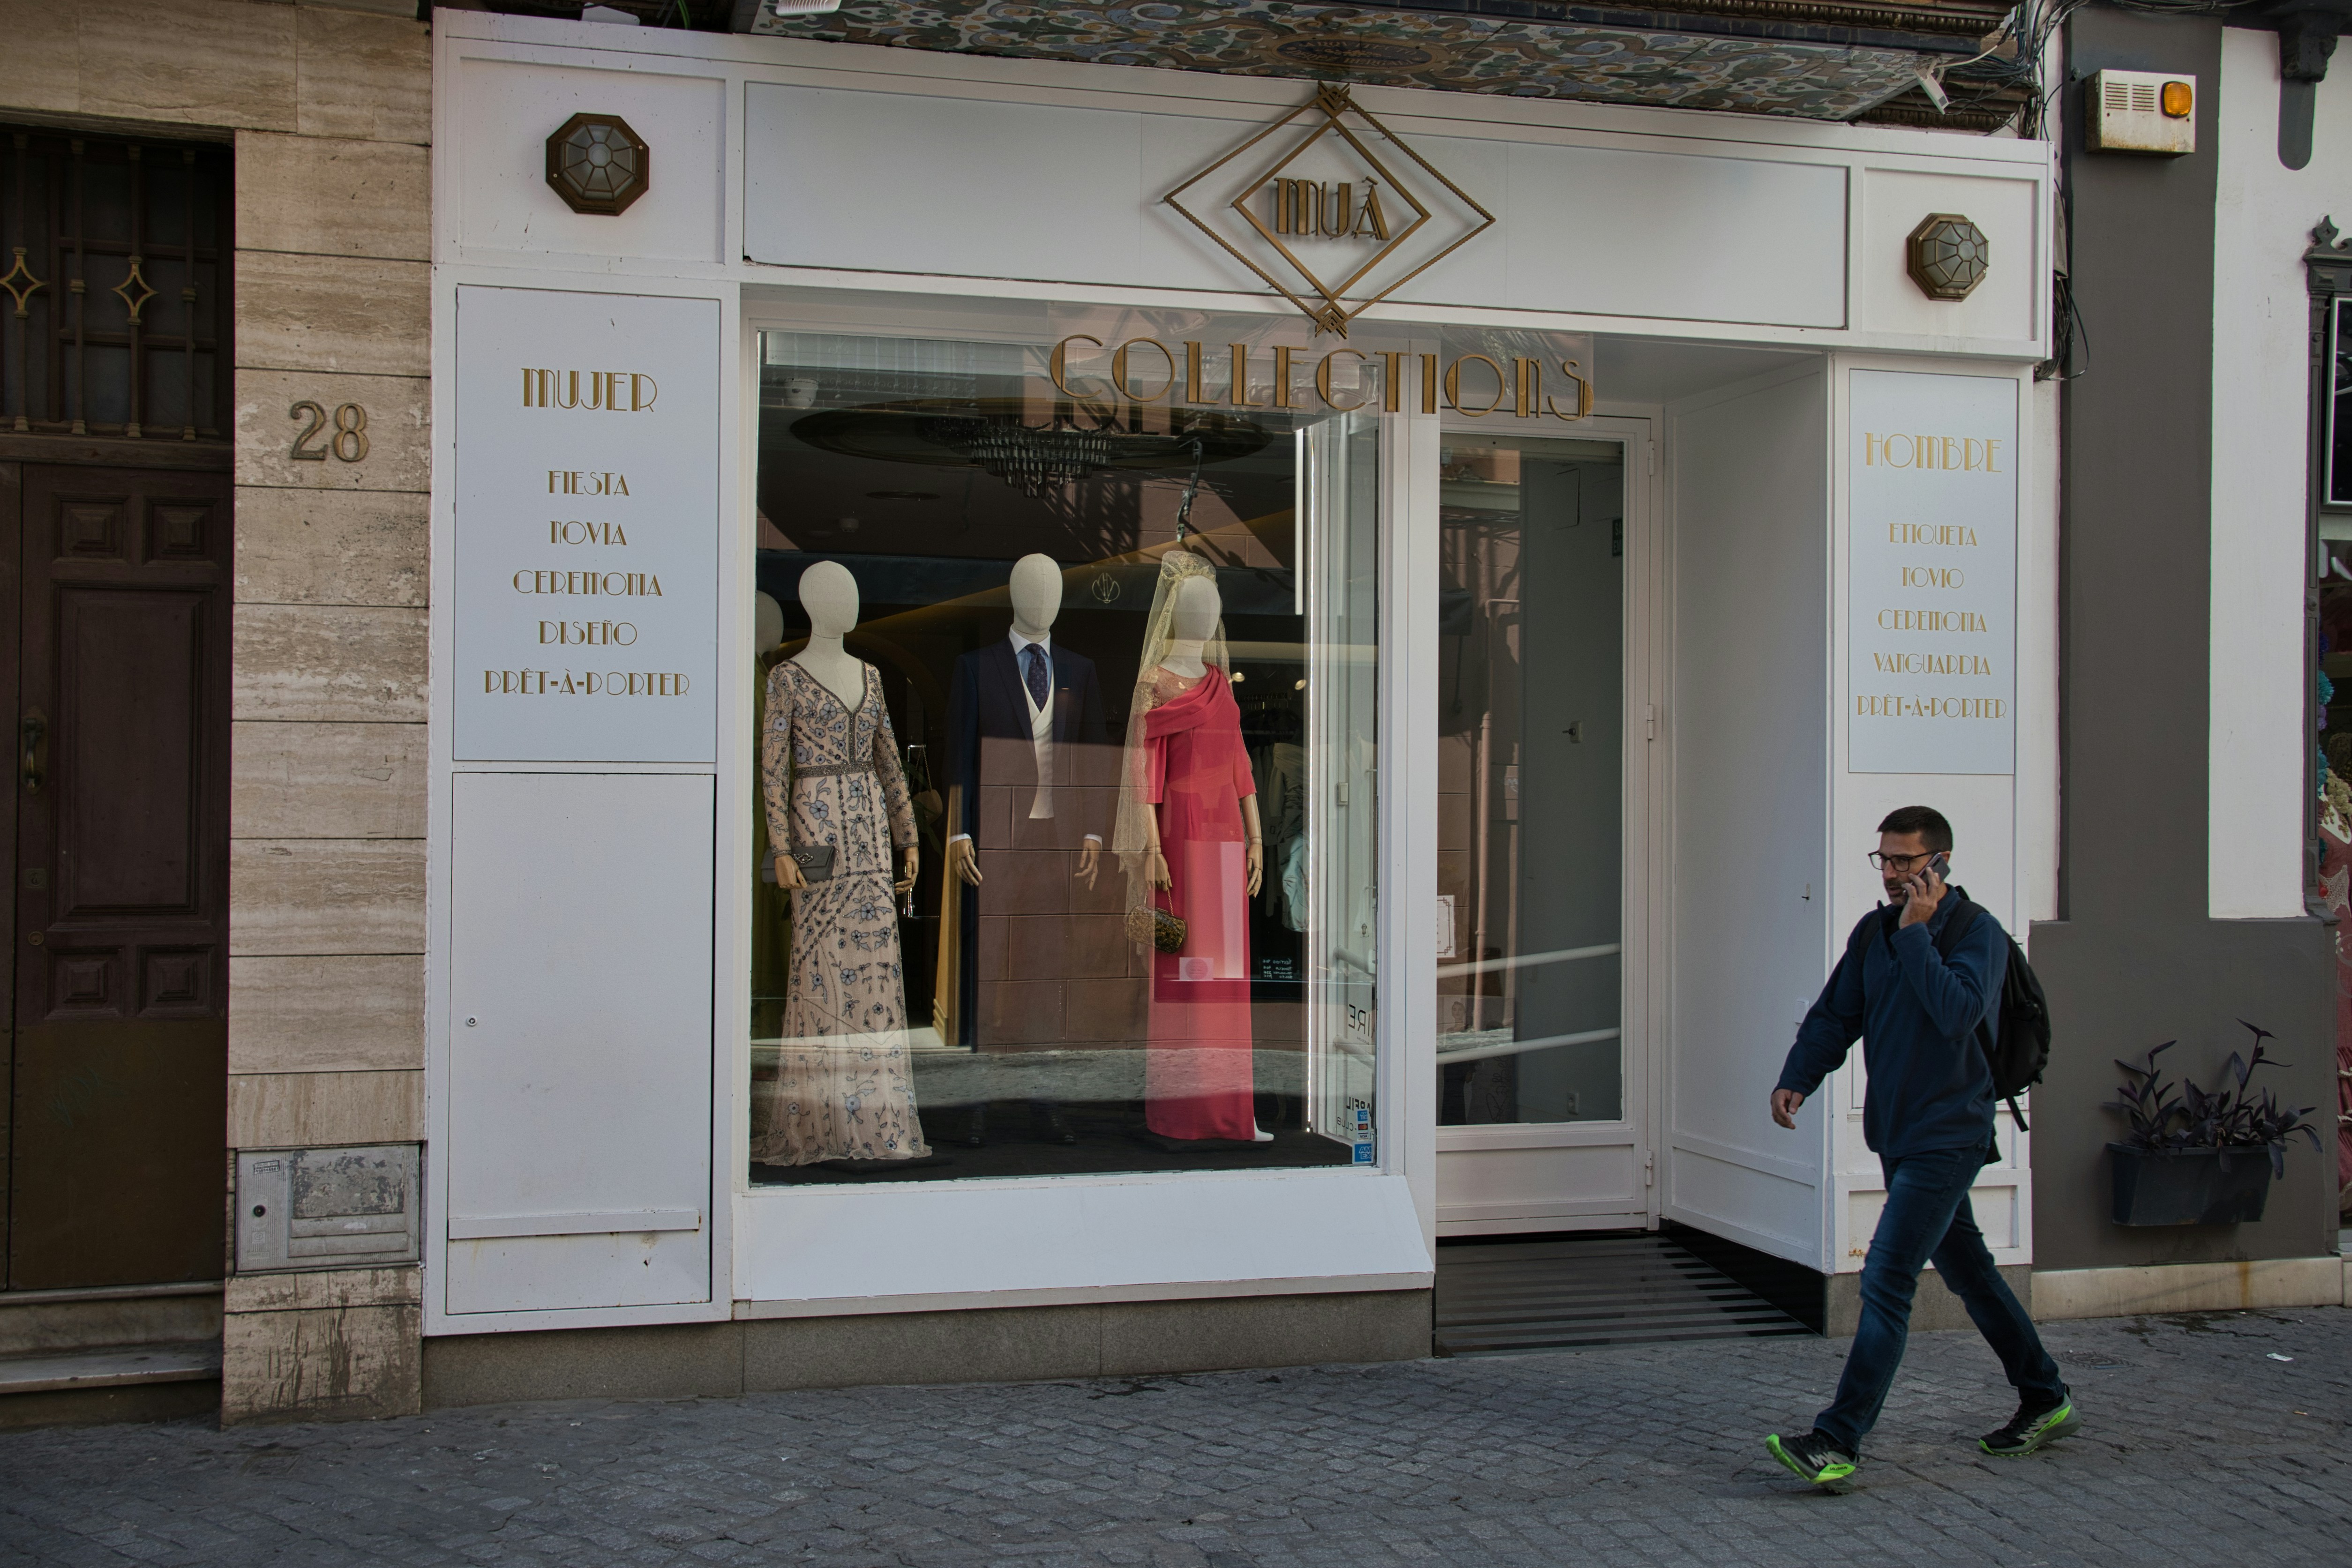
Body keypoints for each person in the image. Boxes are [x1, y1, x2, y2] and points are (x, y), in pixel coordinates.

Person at [1763, 805, 2076, 1490]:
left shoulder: (1976, 933)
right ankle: (2045, 1395)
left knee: (1885, 1277)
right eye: (1885, 860)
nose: (1894, 873)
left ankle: (1836, 1437)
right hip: (1896, 1133)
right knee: (1970, 1273)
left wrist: (1915, 935)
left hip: (1950, 1134)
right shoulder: (1873, 933)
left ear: (1941, 863)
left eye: (1907, 860)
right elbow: (1835, 1015)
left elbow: (1958, 1012)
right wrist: (1798, 1076)